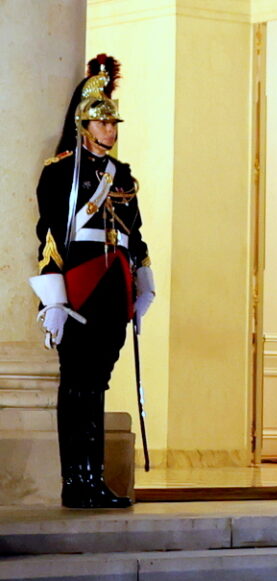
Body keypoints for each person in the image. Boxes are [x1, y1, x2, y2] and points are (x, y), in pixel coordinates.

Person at [29, 55, 155, 509]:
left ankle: (95, 478)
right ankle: (74, 481)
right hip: (79, 284)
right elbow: (50, 235)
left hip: (113, 287)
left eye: (113, 123)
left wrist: (144, 286)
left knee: (98, 382)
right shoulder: (61, 171)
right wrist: (54, 298)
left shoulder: (122, 175)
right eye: (101, 124)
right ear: (84, 126)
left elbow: (133, 234)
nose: (110, 131)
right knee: (77, 383)